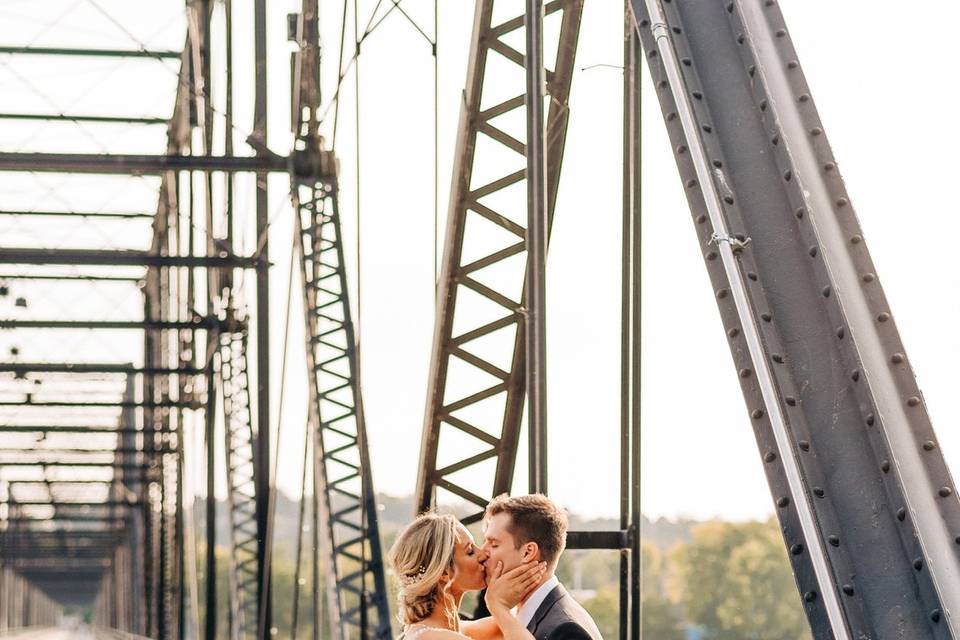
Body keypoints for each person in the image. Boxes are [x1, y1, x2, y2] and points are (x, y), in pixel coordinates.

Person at [388, 512, 547, 640]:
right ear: (444, 572)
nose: (483, 554)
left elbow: (513, 624)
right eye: (470, 551)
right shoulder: (436, 637)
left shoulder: (453, 629)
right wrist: (497, 606)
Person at [481, 494, 602, 640]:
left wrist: (497, 606)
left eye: (494, 544)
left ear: (528, 552)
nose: (483, 553)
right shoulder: (525, 615)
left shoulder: (567, 630)